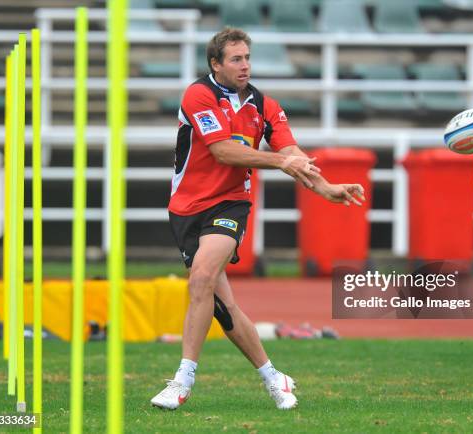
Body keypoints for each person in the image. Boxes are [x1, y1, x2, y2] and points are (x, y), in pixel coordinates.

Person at [150, 27, 366, 410]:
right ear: (216, 64)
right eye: (236, 59)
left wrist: (326, 186)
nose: (245, 65)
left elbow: (292, 150)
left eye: (247, 57)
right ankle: (273, 376)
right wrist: (282, 161)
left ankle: (182, 380)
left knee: (200, 277)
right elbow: (223, 152)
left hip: (230, 204)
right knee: (222, 306)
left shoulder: (264, 105)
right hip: (185, 209)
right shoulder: (199, 95)